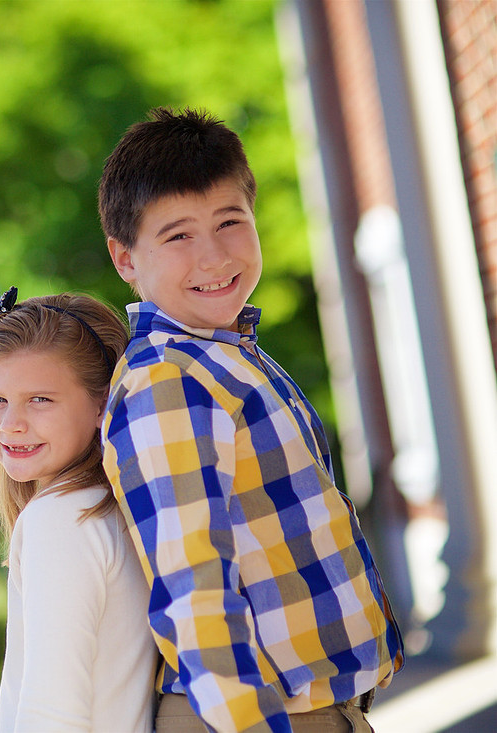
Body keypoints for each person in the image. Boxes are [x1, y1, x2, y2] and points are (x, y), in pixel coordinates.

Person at [97, 108, 404, 733]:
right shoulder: (169, 383)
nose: (213, 255)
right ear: (126, 259)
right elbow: (194, 589)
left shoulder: (228, 357)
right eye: (178, 235)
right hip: (257, 718)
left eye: (230, 222)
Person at [0, 287, 156, 732]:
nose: (10, 423)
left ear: (101, 404)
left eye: (40, 399)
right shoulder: (114, 509)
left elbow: (51, 714)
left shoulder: (60, 521)